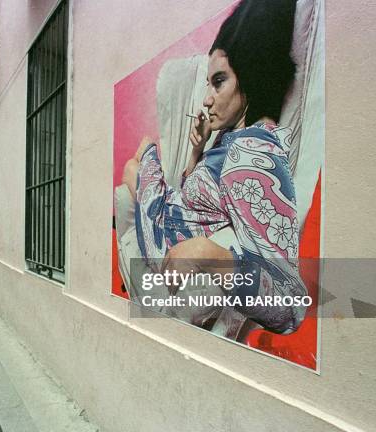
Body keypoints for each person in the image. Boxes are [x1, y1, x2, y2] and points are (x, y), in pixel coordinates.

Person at [121, 0, 306, 334]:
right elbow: (199, 201)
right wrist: (197, 151)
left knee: (142, 154)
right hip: (166, 221)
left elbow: (290, 307)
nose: (206, 98)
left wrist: (211, 254)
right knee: (135, 165)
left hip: (164, 239)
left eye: (218, 82)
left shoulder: (251, 156)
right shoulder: (233, 141)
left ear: (251, 73)